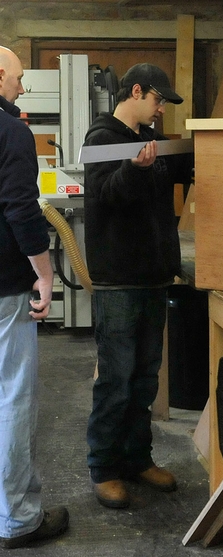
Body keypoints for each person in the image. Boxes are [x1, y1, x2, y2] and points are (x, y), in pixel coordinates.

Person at [83, 63, 193, 508]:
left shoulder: (151, 143)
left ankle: (136, 457)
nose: (161, 108)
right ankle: (104, 467)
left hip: (152, 278)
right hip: (119, 281)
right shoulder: (102, 140)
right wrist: (132, 169)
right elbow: (106, 195)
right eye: (157, 99)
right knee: (117, 380)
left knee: (146, 379)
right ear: (135, 91)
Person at [0, 46, 69, 548]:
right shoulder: (12, 132)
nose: (22, 89)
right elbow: (22, 210)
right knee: (12, 399)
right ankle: (19, 519)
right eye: (19, 79)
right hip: (4, 290)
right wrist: (43, 275)